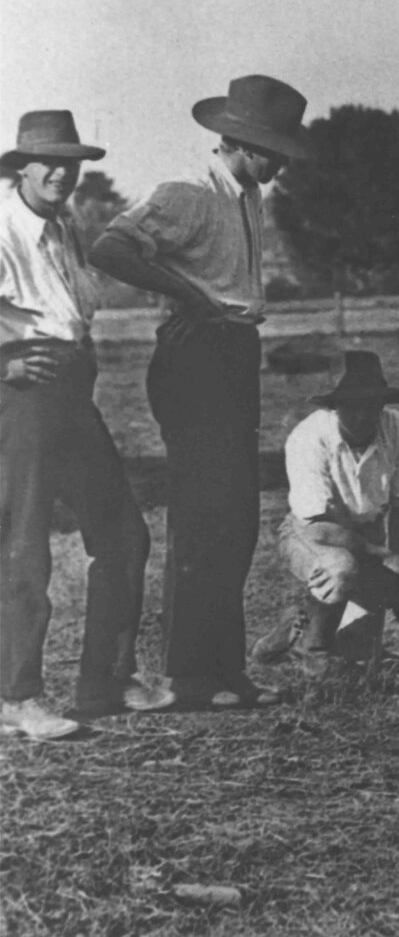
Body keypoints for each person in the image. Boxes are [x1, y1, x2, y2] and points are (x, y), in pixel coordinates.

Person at [90, 75, 311, 709]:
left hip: (236, 350)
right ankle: (188, 675)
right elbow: (110, 246)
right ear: (240, 141)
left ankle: (224, 672)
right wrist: (188, 295)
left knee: (235, 517)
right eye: (273, 150)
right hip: (195, 352)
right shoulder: (188, 191)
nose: (279, 164)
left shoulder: (246, 193)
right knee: (202, 515)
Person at [0, 111, 172, 740]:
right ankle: (16, 697)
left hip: (74, 391)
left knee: (123, 533)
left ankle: (106, 681)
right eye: (47, 161)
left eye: (71, 162)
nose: (61, 173)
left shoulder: (63, 225)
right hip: (23, 394)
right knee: (23, 543)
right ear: (20, 166)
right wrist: (6, 355)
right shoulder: (3, 225)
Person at [252, 350, 399, 670]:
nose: (361, 416)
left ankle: (294, 627)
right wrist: (383, 555)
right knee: (339, 567)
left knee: (360, 656)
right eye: (351, 405)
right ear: (335, 405)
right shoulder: (308, 437)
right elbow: (319, 528)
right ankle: (311, 653)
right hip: (312, 533)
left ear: (383, 403)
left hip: (369, 531)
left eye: (370, 404)